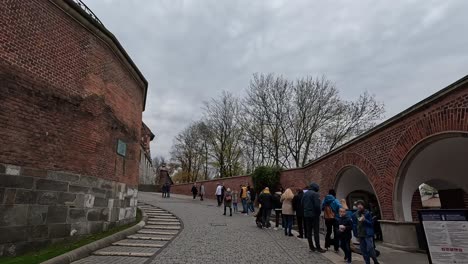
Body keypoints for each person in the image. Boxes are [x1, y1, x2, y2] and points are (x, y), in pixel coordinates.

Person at [352, 200, 379, 264]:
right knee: (363, 250)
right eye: (358, 205)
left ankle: (375, 261)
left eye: (361, 205)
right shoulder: (355, 214)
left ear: (363, 206)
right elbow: (354, 225)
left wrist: (365, 220)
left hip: (367, 234)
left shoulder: (368, 213)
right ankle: (367, 262)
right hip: (360, 235)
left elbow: (371, 224)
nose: (359, 206)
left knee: (370, 249)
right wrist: (356, 234)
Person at [302, 183, 326, 253]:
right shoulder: (315, 194)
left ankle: (311, 247)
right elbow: (317, 206)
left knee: (309, 231)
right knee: (316, 231)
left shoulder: (305, 194)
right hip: (314, 215)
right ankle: (318, 247)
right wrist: (318, 213)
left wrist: (306, 210)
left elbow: (302, 203)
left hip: (306, 215)